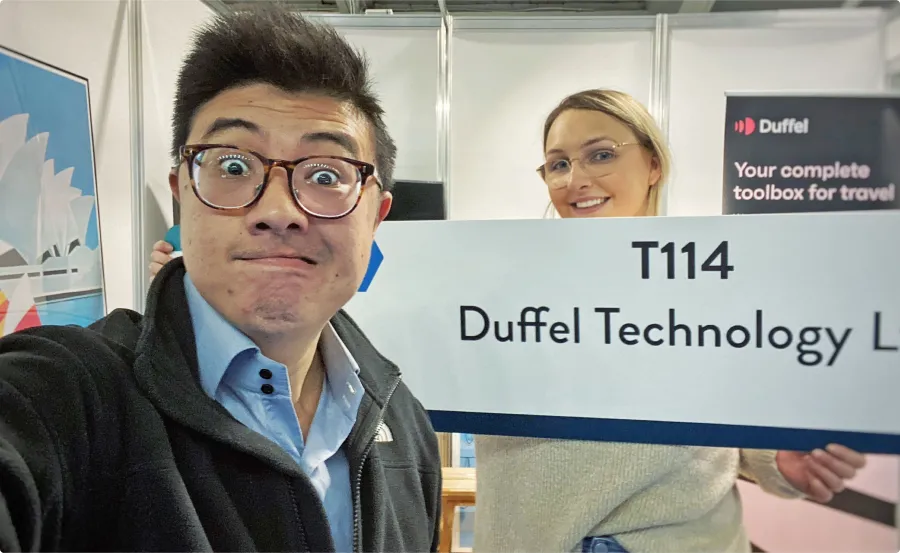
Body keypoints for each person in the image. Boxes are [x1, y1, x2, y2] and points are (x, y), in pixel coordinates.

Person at [0, 6, 441, 552]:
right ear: (182, 195)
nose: (279, 211)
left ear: (376, 217)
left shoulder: (403, 426)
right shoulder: (70, 399)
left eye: (326, 174)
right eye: (233, 166)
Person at [470, 89, 867, 553]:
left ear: (653, 164)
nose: (575, 179)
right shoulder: (499, 295)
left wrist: (771, 456)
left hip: (680, 539)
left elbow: (729, 413)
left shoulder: (713, 281)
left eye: (600, 155)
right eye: (558, 164)